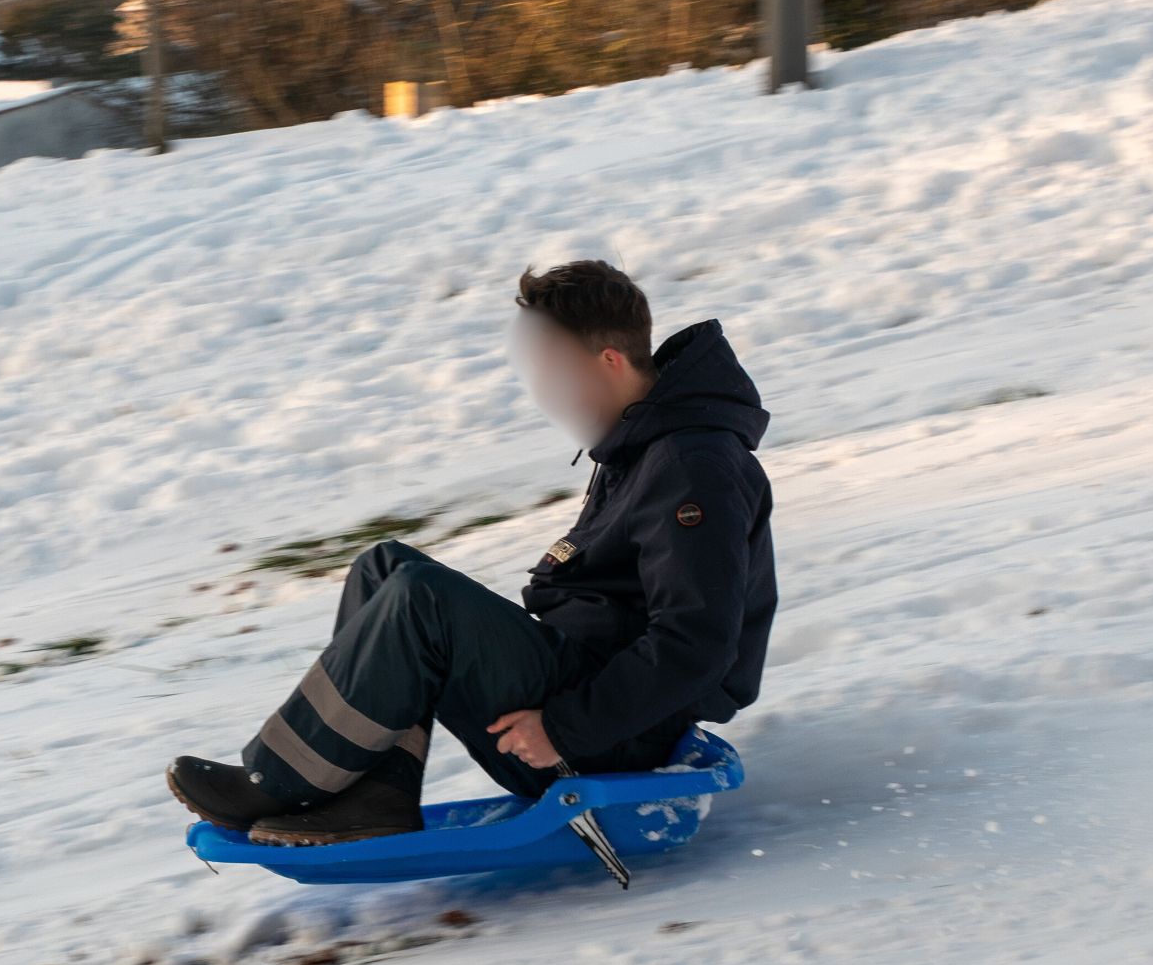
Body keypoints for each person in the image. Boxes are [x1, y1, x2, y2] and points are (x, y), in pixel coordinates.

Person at [167, 259, 777, 846]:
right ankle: (373, 795)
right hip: (590, 692)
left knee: (421, 603)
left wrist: (564, 728)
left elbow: (696, 643)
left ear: (609, 362)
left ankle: (277, 782)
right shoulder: (642, 445)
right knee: (385, 569)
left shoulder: (689, 467)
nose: (545, 393)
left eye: (554, 371)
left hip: (612, 735)